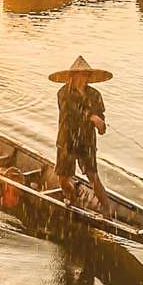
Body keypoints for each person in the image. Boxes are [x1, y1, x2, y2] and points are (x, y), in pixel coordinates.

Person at [50, 55, 111, 209]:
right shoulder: (63, 93)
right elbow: (70, 112)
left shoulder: (95, 95)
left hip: (87, 140)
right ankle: (72, 198)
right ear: (72, 76)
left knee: (93, 176)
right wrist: (91, 116)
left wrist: (101, 125)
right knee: (63, 178)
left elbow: (100, 116)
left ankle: (107, 212)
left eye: (86, 75)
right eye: (80, 75)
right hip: (67, 139)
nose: (83, 78)